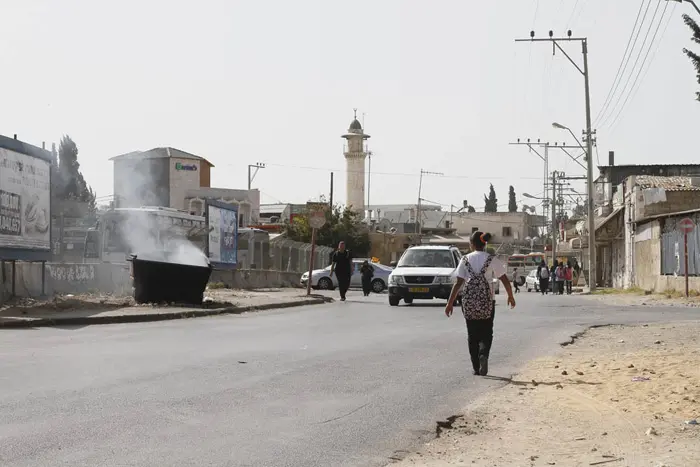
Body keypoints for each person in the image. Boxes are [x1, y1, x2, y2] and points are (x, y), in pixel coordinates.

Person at [445, 231, 516, 377]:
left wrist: (450, 303)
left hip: (469, 302)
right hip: (487, 302)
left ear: (471, 244)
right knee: (486, 333)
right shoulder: (491, 259)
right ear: (485, 244)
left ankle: (476, 367)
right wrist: (510, 296)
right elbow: (504, 279)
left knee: (472, 335)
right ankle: (483, 354)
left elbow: (458, 283)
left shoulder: (465, 259)